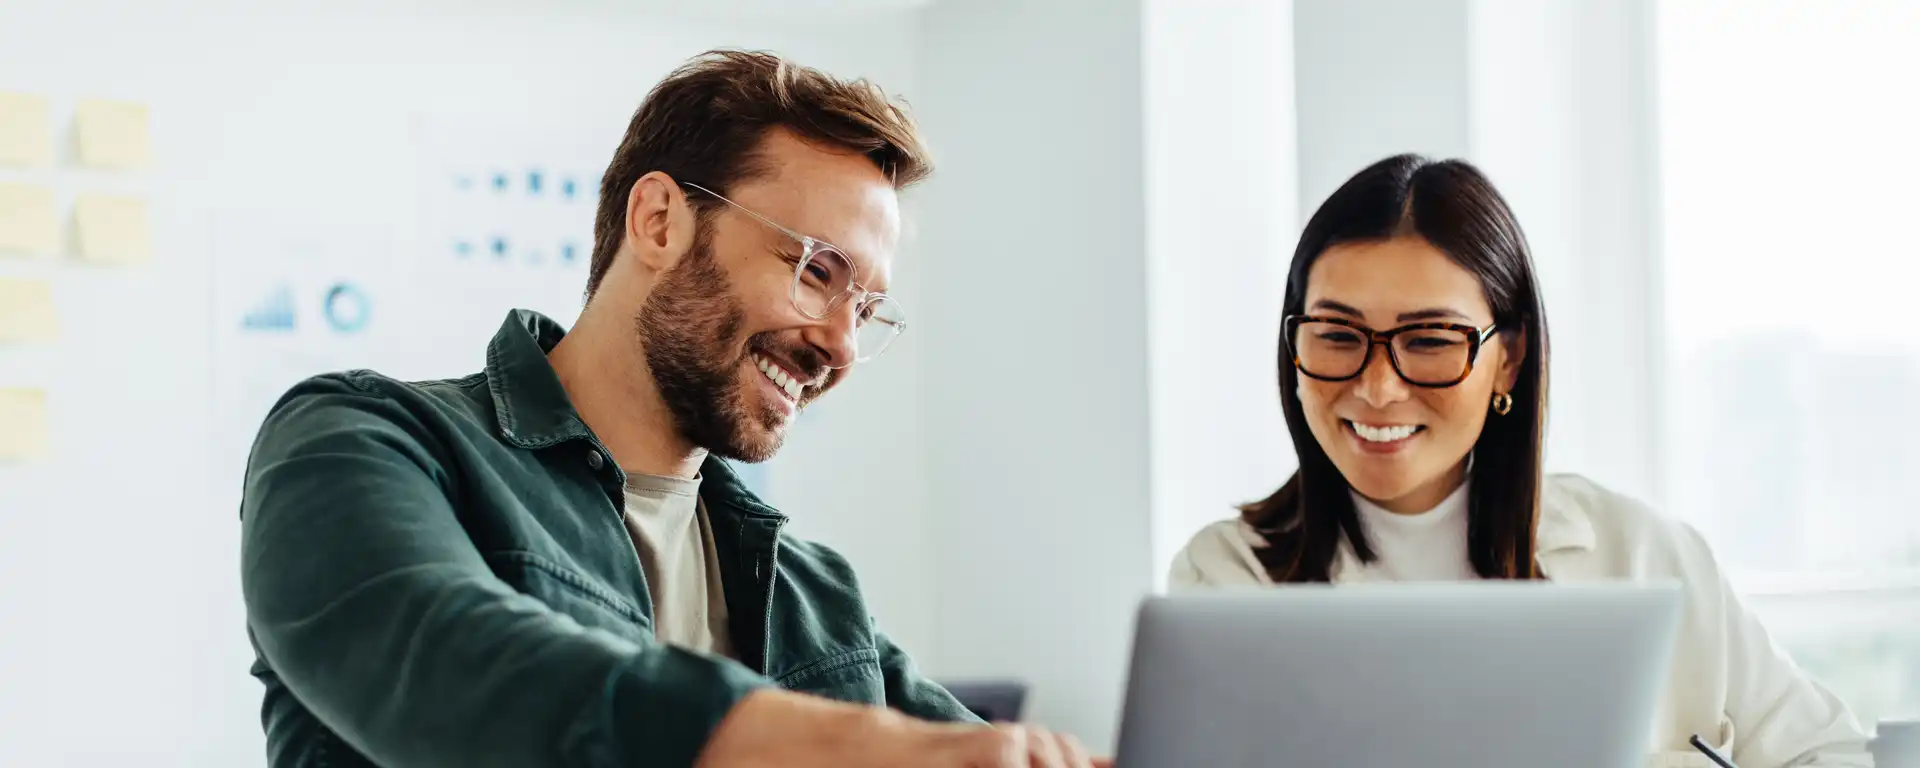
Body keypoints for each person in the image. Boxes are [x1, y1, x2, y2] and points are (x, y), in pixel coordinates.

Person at [239, 50, 1104, 768]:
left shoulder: (815, 592)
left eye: (867, 310)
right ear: (658, 221)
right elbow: (457, 661)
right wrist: (849, 744)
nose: (841, 345)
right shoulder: (364, 441)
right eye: (815, 272)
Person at [1168, 154, 1876, 768]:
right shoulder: (1227, 579)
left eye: (1430, 340)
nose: (1377, 386)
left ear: (1507, 360)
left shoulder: (1646, 555)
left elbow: (1830, 753)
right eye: (1336, 335)